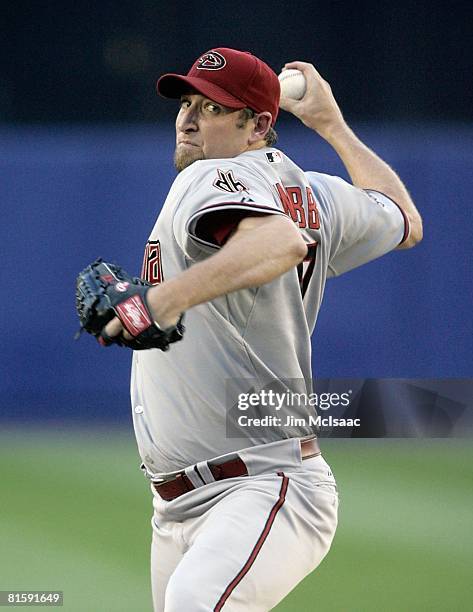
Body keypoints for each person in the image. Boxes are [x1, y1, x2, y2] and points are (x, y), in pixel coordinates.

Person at [103, 47, 422, 611]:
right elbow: (401, 218)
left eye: (215, 108)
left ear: (259, 127)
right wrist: (331, 124)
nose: (189, 118)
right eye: (187, 101)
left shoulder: (210, 176)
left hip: (259, 485)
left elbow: (279, 242)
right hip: (193, 501)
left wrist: (162, 300)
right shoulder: (312, 193)